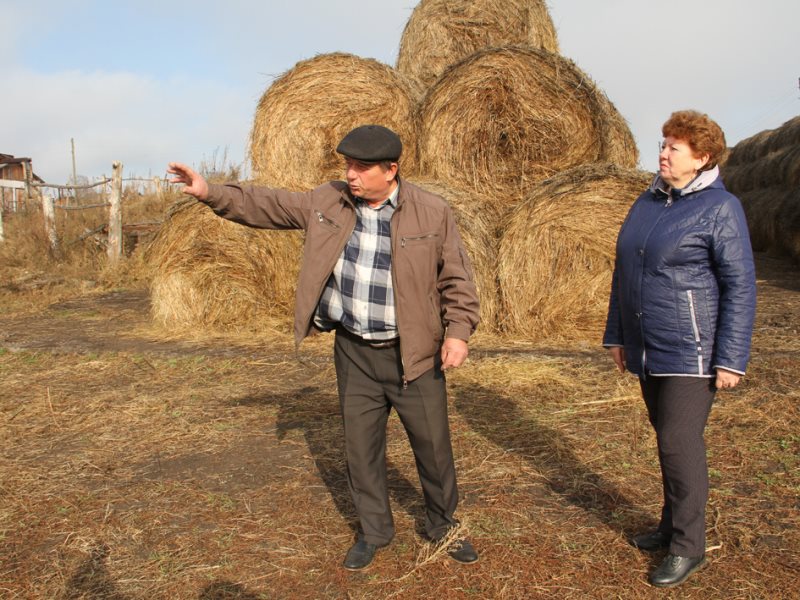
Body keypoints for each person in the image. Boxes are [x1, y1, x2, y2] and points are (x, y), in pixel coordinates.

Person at [168, 124, 481, 570]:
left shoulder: (432, 213)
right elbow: (269, 204)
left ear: (391, 170)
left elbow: (457, 278)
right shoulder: (328, 200)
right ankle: (374, 531)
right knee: (360, 447)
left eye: (360, 167)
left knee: (433, 448)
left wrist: (458, 332)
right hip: (355, 351)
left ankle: (443, 524)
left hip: (414, 353)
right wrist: (209, 191)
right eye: (347, 165)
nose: (350, 175)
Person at [603, 110, 756, 588]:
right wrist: (619, 334)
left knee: (678, 441)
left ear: (702, 157)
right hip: (648, 344)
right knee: (666, 439)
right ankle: (671, 526)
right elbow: (624, 269)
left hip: (693, 350)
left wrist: (731, 357)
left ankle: (689, 546)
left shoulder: (720, 207)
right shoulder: (649, 200)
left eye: (675, 147)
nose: (663, 152)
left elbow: (740, 285)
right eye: (664, 143)